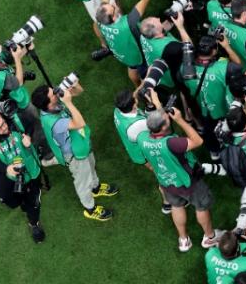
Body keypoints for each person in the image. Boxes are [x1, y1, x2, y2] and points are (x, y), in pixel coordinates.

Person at [137, 103, 219, 253]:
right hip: (188, 182)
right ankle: (209, 237)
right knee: (201, 206)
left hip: (166, 181)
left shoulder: (142, 138)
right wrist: (180, 120)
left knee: (177, 206)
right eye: (166, 119)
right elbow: (198, 141)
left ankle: (183, 240)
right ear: (162, 128)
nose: (168, 117)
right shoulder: (171, 143)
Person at [32, 80, 118, 221]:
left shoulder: (52, 105)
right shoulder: (53, 122)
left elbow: (79, 91)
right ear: (48, 103)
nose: (56, 91)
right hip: (73, 155)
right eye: (53, 93)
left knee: (91, 166)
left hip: (81, 144)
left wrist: (75, 84)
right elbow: (80, 123)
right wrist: (68, 103)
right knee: (82, 181)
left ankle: (96, 188)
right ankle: (90, 208)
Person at [0, 107, 45, 243]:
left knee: (34, 202)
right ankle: (23, 205)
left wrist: (29, 137)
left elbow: (31, 125)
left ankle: (34, 223)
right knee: (11, 199)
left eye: (3, 123)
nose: (4, 128)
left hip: (31, 169)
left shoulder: (16, 119)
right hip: (11, 175)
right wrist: (5, 168)